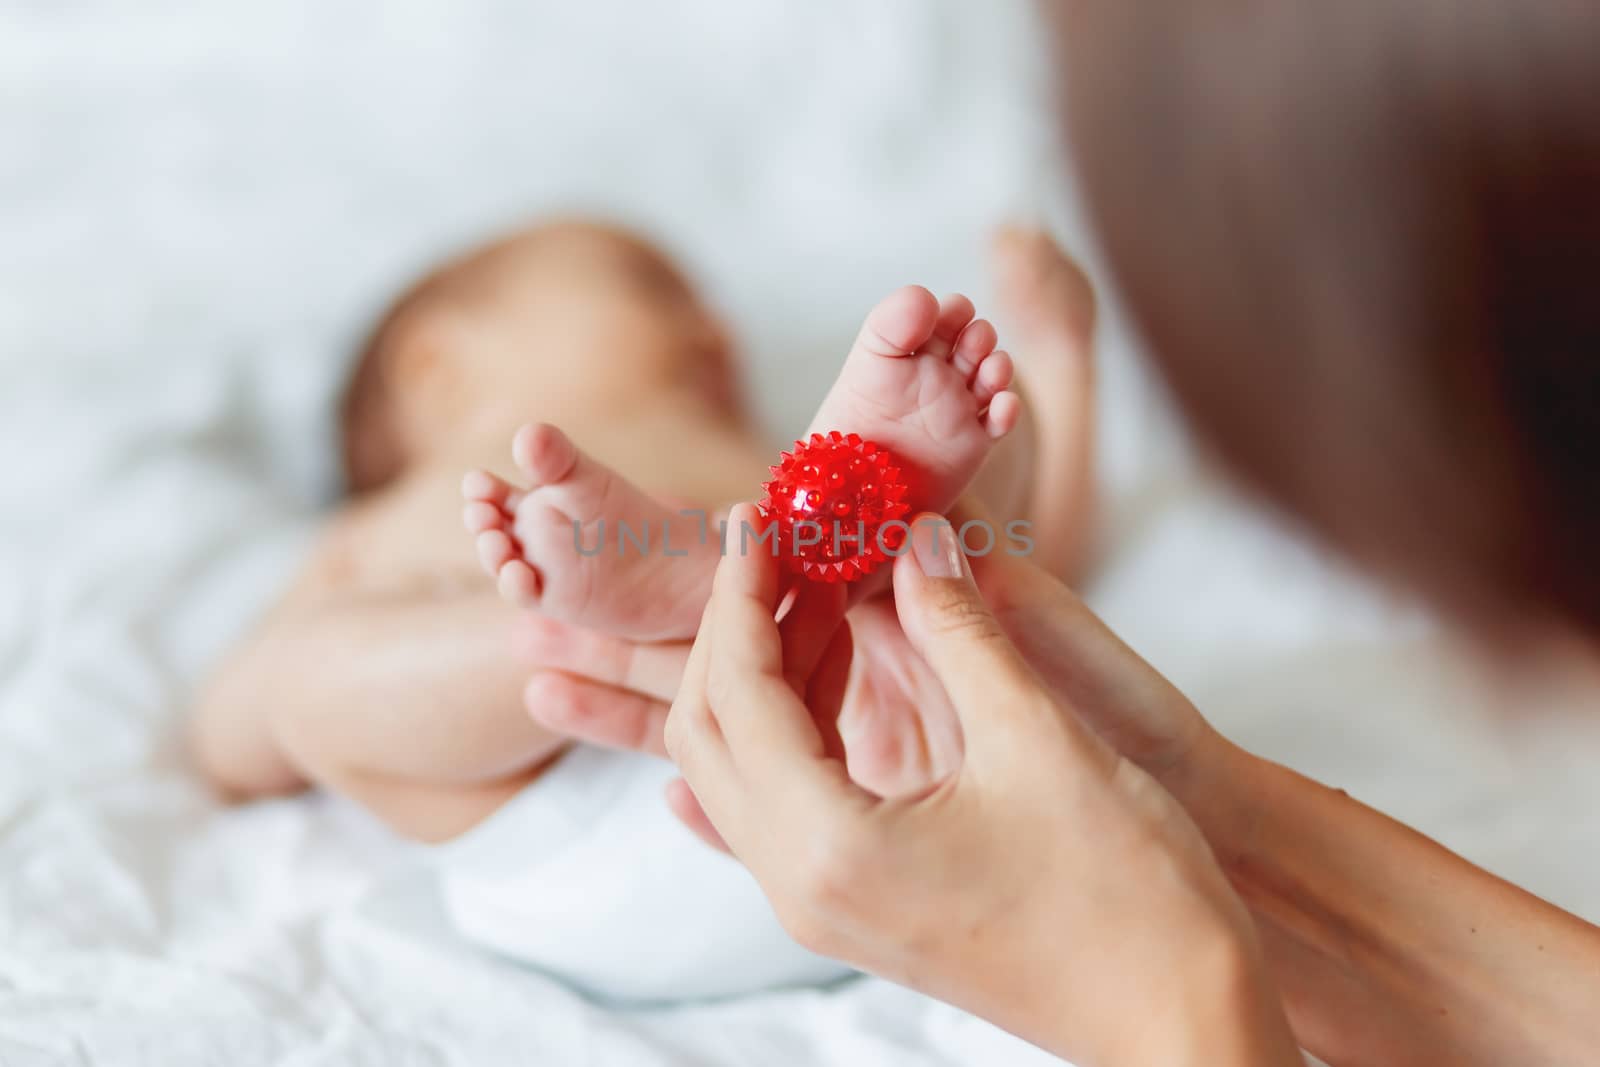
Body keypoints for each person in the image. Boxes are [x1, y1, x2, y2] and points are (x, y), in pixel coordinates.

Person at [519, 3, 1600, 1064]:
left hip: (752, 708)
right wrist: (1214, 836)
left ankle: (725, 561)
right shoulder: (422, 505)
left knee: (1005, 522)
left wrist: (1169, 1004)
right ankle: (717, 565)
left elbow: (1045, 537)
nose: (707, 320)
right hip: (642, 728)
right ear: (429, 364)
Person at [188, 220, 1099, 999]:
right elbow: (231, 738)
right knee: (301, 678)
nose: (716, 328)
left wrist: (1060, 363)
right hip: (560, 808)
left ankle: (765, 588)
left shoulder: (753, 454)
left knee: (969, 555)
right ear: (437, 367)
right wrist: (269, 694)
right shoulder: (387, 522)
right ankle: (636, 614)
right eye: (651, 288)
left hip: (865, 783)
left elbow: (1042, 571)